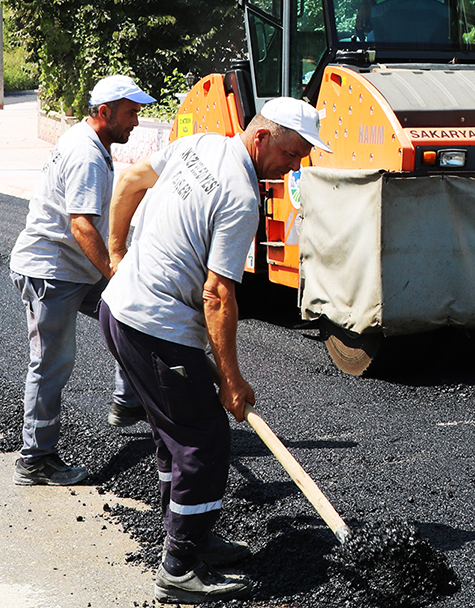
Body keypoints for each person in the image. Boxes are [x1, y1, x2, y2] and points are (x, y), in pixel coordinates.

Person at [100, 97, 327, 602]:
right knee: (204, 440)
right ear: (263, 138)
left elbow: (132, 179)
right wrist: (231, 378)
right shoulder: (243, 196)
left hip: (119, 310)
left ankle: (190, 535)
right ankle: (180, 565)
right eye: (292, 155)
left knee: (172, 435)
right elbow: (218, 293)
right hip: (154, 326)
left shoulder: (201, 144)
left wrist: (118, 254)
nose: (295, 166)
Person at [9, 74, 155, 487]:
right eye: (130, 114)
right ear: (104, 112)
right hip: (51, 273)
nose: (137, 122)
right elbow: (81, 227)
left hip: (74, 268)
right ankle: (35, 460)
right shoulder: (88, 155)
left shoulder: (88, 140)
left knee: (130, 314)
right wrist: (115, 274)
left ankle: (127, 403)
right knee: (52, 363)